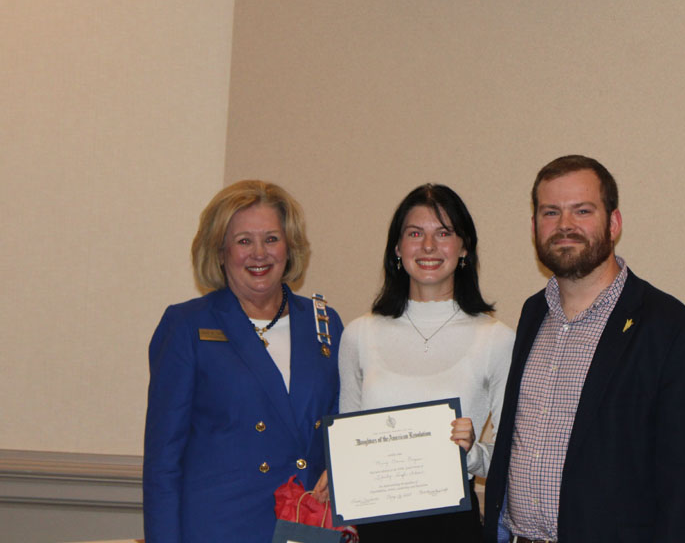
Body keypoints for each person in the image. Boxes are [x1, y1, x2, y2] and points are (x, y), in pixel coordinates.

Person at [483, 155, 685, 543]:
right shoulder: (533, 313)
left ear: (614, 223)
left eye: (582, 210)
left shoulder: (673, 332)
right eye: (550, 212)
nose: (565, 225)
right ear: (534, 227)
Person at [142, 180, 344, 543]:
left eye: (271, 239)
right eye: (244, 241)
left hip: (305, 528)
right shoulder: (187, 326)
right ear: (220, 252)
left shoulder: (323, 323)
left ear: (289, 247)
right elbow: (163, 463)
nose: (259, 254)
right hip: (221, 528)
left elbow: (340, 426)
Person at [336, 183, 515, 542]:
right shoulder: (359, 335)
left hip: (455, 527)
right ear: (397, 248)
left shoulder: (495, 338)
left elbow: (509, 458)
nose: (429, 246)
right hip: (375, 527)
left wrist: (472, 453)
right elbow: (346, 450)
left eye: (444, 233)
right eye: (415, 233)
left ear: (464, 247)